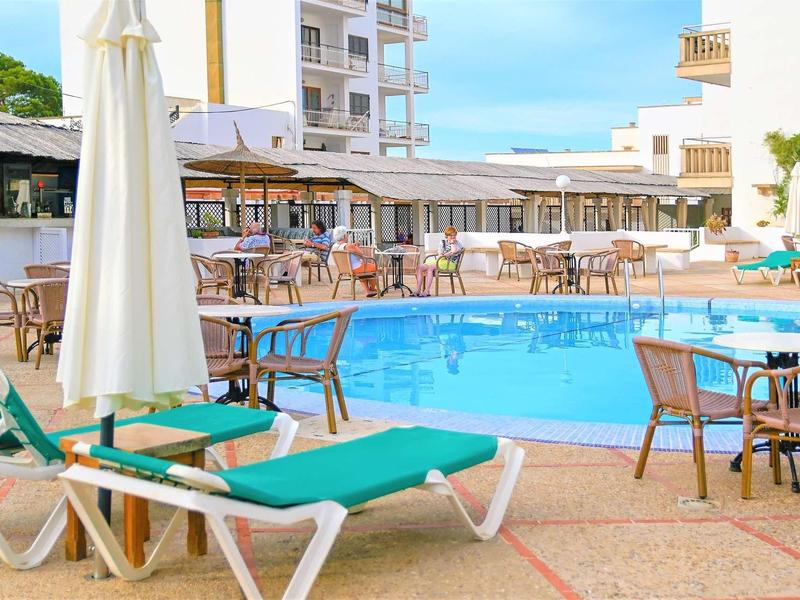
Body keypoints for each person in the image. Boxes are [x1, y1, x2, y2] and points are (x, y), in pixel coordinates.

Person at [331, 225, 378, 297]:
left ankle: (367, 291)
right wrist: (356, 246)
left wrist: (354, 245)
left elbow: (347, 248)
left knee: (364, 271)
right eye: (347, 234)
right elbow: (361, 254)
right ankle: (372, 288)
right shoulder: (348, 246)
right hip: (356, 268)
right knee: (374, 267)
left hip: (344, 270)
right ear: (344, 236)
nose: (347, 236)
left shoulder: (335, 246)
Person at [415, 226, 463, 297]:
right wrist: (446, 254)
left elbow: (454, 251)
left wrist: (452, 243)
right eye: (451, 235)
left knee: (430, 268)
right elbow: (440, 254)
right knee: (419, 267)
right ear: (447, 236)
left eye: (454, 235)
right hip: (440, 261)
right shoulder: (442, 242)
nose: (453, 237)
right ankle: (418, 290)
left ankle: (427, 291)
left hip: (450, 264)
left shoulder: (457, 243)